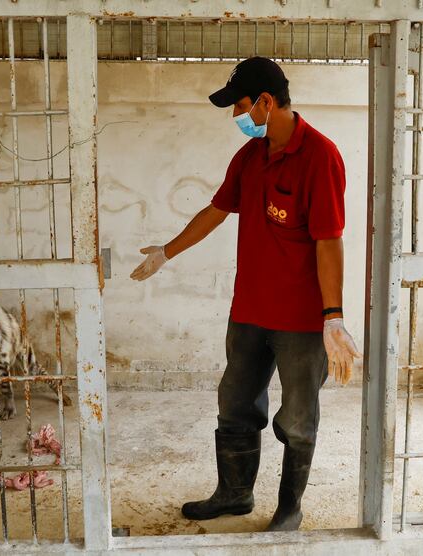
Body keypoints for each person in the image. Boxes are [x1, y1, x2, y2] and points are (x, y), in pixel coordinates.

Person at [130, 56, 361, 532]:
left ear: (265, 102)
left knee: (297, 418)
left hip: (300, 319)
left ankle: (289, 508)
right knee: (235, 402)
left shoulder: (320, 156)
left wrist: (332, 317)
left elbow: (329, 240)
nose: (236, 117)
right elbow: (217, 210)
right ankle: (234, 494)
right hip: (250, 312)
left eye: (239, 106)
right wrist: (166, 253)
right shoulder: (250, 158)